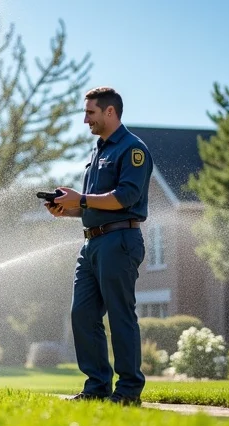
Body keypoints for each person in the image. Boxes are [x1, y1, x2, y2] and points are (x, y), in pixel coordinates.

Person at [47, 86, 152, 405]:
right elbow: (93, 205)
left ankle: (129, 391)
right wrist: (69, 210)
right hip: (91, 245)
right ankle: (96, 388)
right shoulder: (98, 152)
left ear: (110, 112)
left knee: (120, 315)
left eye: (90, 112)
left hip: (120, 241)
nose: (85, 119)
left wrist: (81, 199)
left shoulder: (133, 149)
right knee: (81, 313)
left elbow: (126, 197)